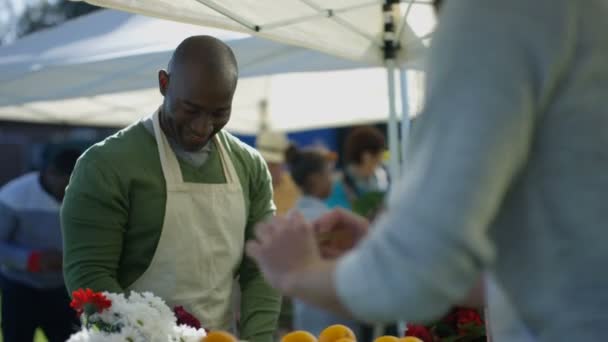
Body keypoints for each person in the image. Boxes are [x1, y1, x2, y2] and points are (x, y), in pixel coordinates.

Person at [245, 0, 608, 341]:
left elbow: (414, 275)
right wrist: (378, 247)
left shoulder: (495, 11)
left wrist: (299, 273)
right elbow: (545, 267)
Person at [61, 36, 280, 342]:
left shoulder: (250, 166)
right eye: (191, 109)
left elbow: (263, 267)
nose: (202, 127)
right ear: (164, 83)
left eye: (219, 113)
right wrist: (134, 335)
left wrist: (258, 338)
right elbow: (90, 277)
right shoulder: (105, 165)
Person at [0, 147, 81, 342]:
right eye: (67, 185)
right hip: (19, 288)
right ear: (51, 173)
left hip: (63, 289)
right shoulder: (13, 195)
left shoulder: (85, 194)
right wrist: (34, 260)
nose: (73, 191)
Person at [284, 145, 358, 336]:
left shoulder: (288, 220)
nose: (332, 179)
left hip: (303, 315)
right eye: (328, 174)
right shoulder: (330, 221)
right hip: (336, 318)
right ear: (315, 180)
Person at [326, 126, 389, 219]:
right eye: (379, 157)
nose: (381, 162)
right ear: (366, 157)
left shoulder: (374, 181)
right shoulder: (337, 186)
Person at [256, 130, 300, 215]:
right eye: (264, 163)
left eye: (273, 164)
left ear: (284, 162)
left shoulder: (296, 187)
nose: (267, 168)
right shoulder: (248, 189)